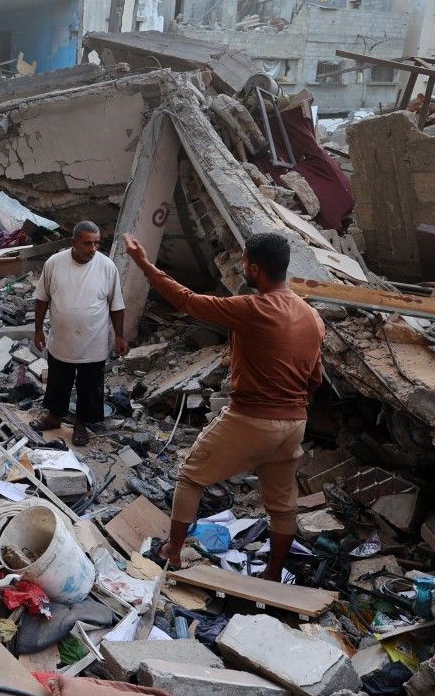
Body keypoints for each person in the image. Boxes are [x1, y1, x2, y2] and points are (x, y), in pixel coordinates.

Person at [123, 231, 325, 581]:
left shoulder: (253, 307)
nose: (244, 266)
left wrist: (144, 263)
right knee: (281, 506)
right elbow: (316, 377)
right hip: (294, 424)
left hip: (252, 418)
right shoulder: (312, 316)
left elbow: (187, 301)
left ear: (256, 269)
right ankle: (273, 573)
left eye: (245, 261)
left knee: (190, 476)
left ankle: (173, 551)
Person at [30, 222, 127, 447]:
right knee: (58, 380)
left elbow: (117, 305)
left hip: (94, 340)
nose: (93, 248)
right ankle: (54, 417)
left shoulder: (107, 267)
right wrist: (37, 329)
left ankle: (81, 424)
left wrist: (120, 336)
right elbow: (42, 298)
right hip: (61, 339)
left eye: (96, 243)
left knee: (89, 385)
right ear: (74, 242)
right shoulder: (54, 263)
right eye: (87, 243)